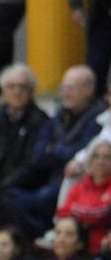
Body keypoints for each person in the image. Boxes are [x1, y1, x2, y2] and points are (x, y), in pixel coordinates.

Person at [19, 65, 106, 231]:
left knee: (44, 198)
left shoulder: (99, 117)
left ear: (89, 89)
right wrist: (58, 152)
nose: (65, 93)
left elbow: (83, 151)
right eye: (63, 88)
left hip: (78, 181)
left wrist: (53, 150)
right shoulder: (60, 114)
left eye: (71, 88)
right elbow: (37, 155)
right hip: (50, 178)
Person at [0, 64, 50, 194]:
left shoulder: (40, 120)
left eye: (22, 87)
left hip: (24, 187)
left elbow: (33, 166)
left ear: (32, 92)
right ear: (3, 91)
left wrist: (0, 186)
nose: (17, 92)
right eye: (11, 87)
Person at [57, 140, 111, 255]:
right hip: (74, 246)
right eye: (96, 156)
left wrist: (75, 209)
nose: (100, 161)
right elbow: (62, 211)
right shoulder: (80, 186)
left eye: (106, 157)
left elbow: (101, 214)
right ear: (90, 161)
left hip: (101, 250)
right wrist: (86, 214)